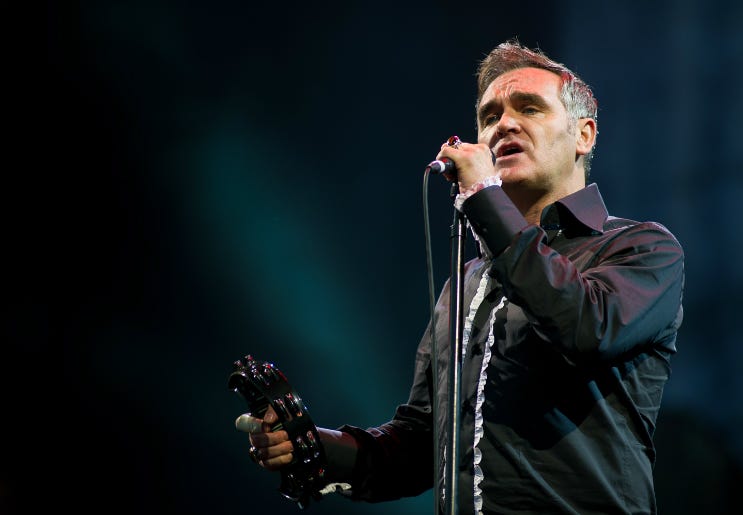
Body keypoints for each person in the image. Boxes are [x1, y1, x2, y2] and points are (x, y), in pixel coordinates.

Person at [234, 37, 685, 514]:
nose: (504, 124)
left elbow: (586, 328)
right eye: (489, 116)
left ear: (584, 136)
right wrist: (315, 445)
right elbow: (422, 444)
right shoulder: (467, 283)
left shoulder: (639, 248)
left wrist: (484, 199)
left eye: (529, 108)